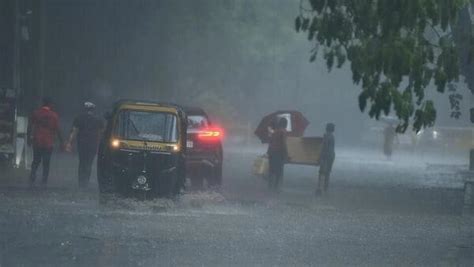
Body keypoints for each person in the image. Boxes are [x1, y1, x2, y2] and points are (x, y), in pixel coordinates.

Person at [66, 102, 104, 188]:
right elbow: (101, 134)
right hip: (92, 145)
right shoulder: (98, 120)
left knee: (82, 162)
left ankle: (81, 182)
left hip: (82, 144)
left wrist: (69, 143)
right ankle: (86, 182)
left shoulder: (79, 118)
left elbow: (74, 131)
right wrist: (101, 146)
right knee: (89, 163)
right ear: (93, 110)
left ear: (85, 109)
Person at [27, 97, 63, 187]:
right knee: (46, 162)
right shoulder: (54, 115)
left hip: (37, 141)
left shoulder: (36, 113)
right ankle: (44, 180)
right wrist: (62, 142)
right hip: (48, 142)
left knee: (36, 160)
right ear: (50, 104)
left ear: (43, 103)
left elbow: (30, 126)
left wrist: (28, 138)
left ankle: (32, 175)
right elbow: (58, 130)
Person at [267, 117, 289, 192]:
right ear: (285, 124)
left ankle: (270, 185)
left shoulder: (274, 131)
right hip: (278, 152)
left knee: (272, 169)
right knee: (279, 170)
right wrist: (286, 154)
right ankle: (276, 186)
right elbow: (284, 143)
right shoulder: (283, 131)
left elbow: (270, 141)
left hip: (272, 152)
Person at [316, 123, 335, 196]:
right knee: (327, 173)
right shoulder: (332, 136)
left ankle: (319, 188)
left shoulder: (326, 135)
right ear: (332, 129)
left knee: (321, 173)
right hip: (331, 156)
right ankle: (325, 189)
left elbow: (324, 146)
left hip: (326, 156)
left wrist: (320, 156)